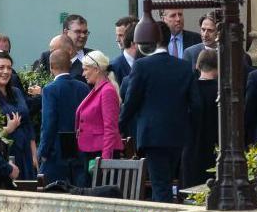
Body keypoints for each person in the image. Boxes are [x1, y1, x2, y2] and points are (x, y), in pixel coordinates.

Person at [119, 21, 202, 202]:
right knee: (170, 182)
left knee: (160, 185)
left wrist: (119, 126)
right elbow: (196, 105)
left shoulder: (141, 66)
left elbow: (131, 102)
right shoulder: (183, 66)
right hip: (177, 135)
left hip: (152, 135)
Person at [38, 49, 90, 187]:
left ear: (51, 67)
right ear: (71, 65)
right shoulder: (84, 87)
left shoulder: (50, 89)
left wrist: (43, 151)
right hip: (80, 150)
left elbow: (49, 123)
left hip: (56, 152)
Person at [0, 51, 36, 179]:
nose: (6, 71)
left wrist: (34, 155)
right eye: (1, 67)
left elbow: (28, 124)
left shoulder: (17, 92)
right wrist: (8, 129)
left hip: (25, 152)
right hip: (5, 154)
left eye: (9, 68)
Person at [75, 50, 122, 183]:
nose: (83, 74)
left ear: (96, 69)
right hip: (92, 152)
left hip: (100, 154)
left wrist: (105, 161)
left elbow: (110, 128)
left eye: (85, 69)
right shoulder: (98, 89)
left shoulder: (107, 91)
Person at [181, 49, 220, 188]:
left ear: (197, 66)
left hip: (191, 149)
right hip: (215, 152)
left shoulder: (188, 90)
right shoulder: (221, 90)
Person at [34, 15, 93, 83]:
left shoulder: (93, 57)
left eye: (85, 32)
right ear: (65, 32)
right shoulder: (47, 56)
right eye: (78, 32)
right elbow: (36, 83)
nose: (83, 36)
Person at [110, 22, 137, 88]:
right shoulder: (114, 66)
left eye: (121, 35)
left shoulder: (147, 63)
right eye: (117, 35)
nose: (117, 40)